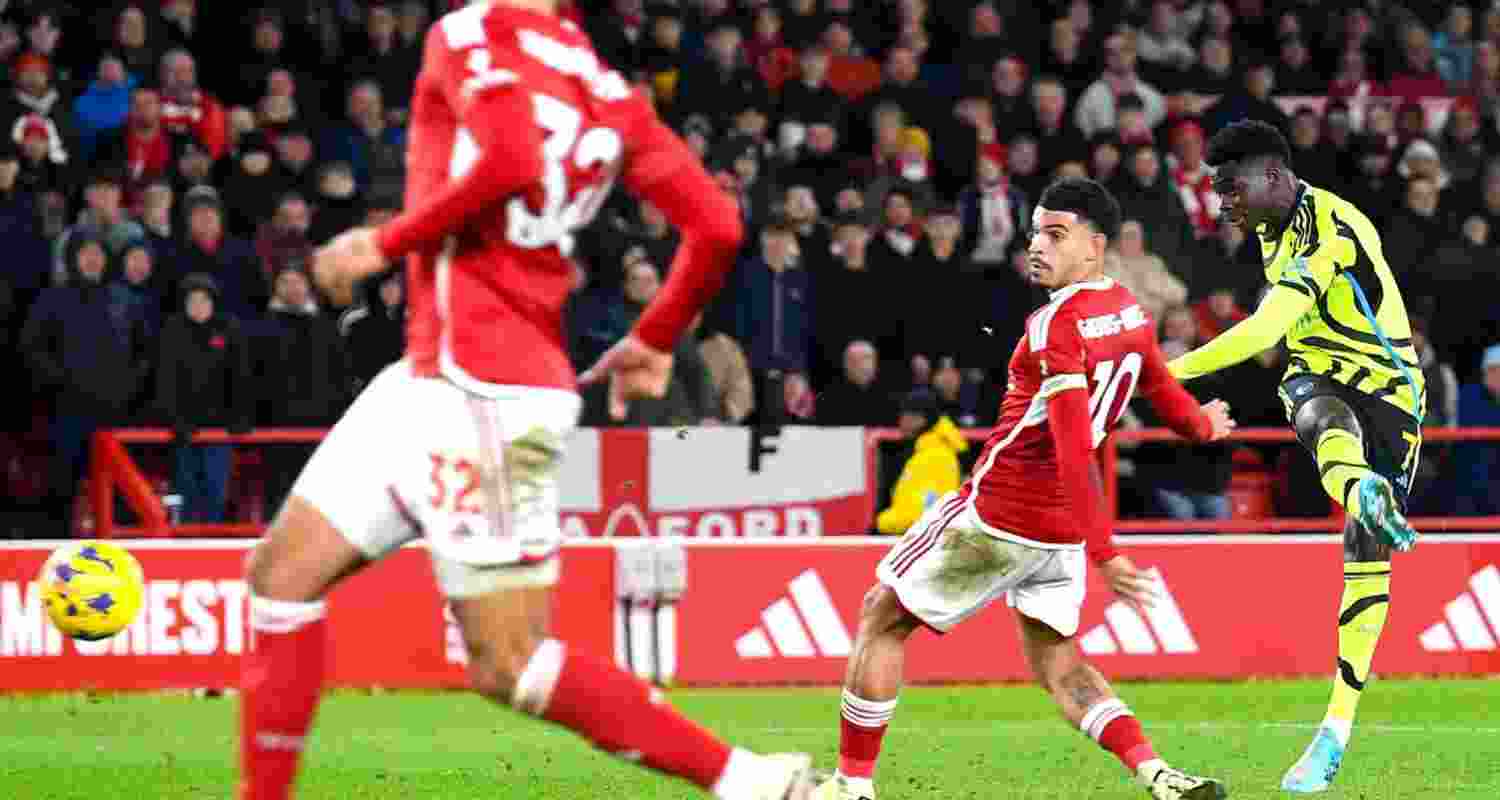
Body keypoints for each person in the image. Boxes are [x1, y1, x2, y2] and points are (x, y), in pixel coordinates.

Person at [238, 3, 814, 800]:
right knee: (280, 578)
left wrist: (382, 243)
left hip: (486, 392)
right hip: (430, 374)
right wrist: (655, 335)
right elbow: (715, 224)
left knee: (507, 662)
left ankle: (753, 783)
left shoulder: (473, 32)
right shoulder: (603, 85)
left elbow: (510, 157)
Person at [812, 177, 1234, 800]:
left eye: (1055, 235)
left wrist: (1107, 553)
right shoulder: (1130, 311)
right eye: (1036, 230)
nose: (1037, 245)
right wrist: (1204, 425)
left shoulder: (1053, 326)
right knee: (1062, 666)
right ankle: (1158, 774)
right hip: (1056, 535)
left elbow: (1070, 447)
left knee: (881, 616)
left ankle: (850, 787)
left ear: (1095, 246)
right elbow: (1165, 394)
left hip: (1000, 516)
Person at [1166, 120, 1425, 793]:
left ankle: (1335, 728)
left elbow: (1262, 331)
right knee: (1312, 404)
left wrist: (1162, 372)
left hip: (1392, 389)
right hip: (1322, 373)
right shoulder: (1268, 226)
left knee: (1363, 555)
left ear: (1276, 175)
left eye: (1230, 187)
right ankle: (1361, 487)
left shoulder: (1327, 229)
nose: (1223, 201)